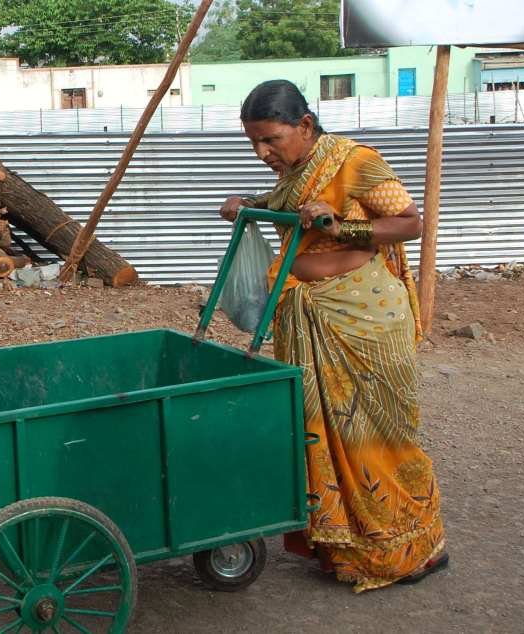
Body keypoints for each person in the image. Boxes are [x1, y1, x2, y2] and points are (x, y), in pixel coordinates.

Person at [219, 80, 448, 593]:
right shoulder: (297, 171)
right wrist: (247, 204)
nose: (262, 153)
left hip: (363, 319)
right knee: (320, 434)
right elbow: (288, 208)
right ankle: (344, 549)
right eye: (254, 143)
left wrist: (343, 227)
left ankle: (409, 549)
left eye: (271, 140)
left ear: (304, 125)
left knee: (378, 434)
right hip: (305, 315)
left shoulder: (355, 161)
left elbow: (410, 222)